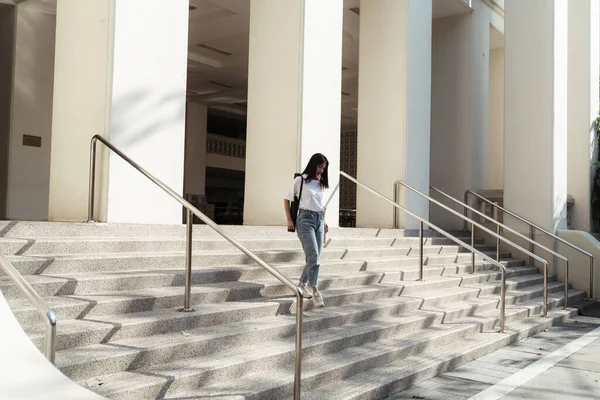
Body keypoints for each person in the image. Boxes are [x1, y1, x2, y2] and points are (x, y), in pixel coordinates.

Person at [283, 153, 329, 307]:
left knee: (314, 257)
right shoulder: (300, 180)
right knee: (314, 256)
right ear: (313, 164)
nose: (321, 170)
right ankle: (315, 289)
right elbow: (287, 199)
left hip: (319, 220)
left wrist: (324, 221)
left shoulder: (320, 183)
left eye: (323, 168)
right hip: (305, 220)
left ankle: (302, 284)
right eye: (319, 166)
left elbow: (320, 205)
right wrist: (290, 220)